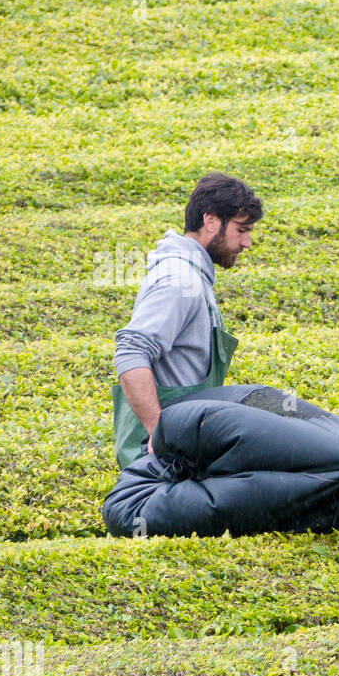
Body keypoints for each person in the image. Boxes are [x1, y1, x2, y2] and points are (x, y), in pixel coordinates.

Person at [111, 173, 262, 468]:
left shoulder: (194, 277)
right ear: (211, 222)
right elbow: (130, 351)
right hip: (159, 462)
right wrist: (160, 433)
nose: (247, 243)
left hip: (183, 450)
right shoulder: (179, 280)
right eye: (241, 230)